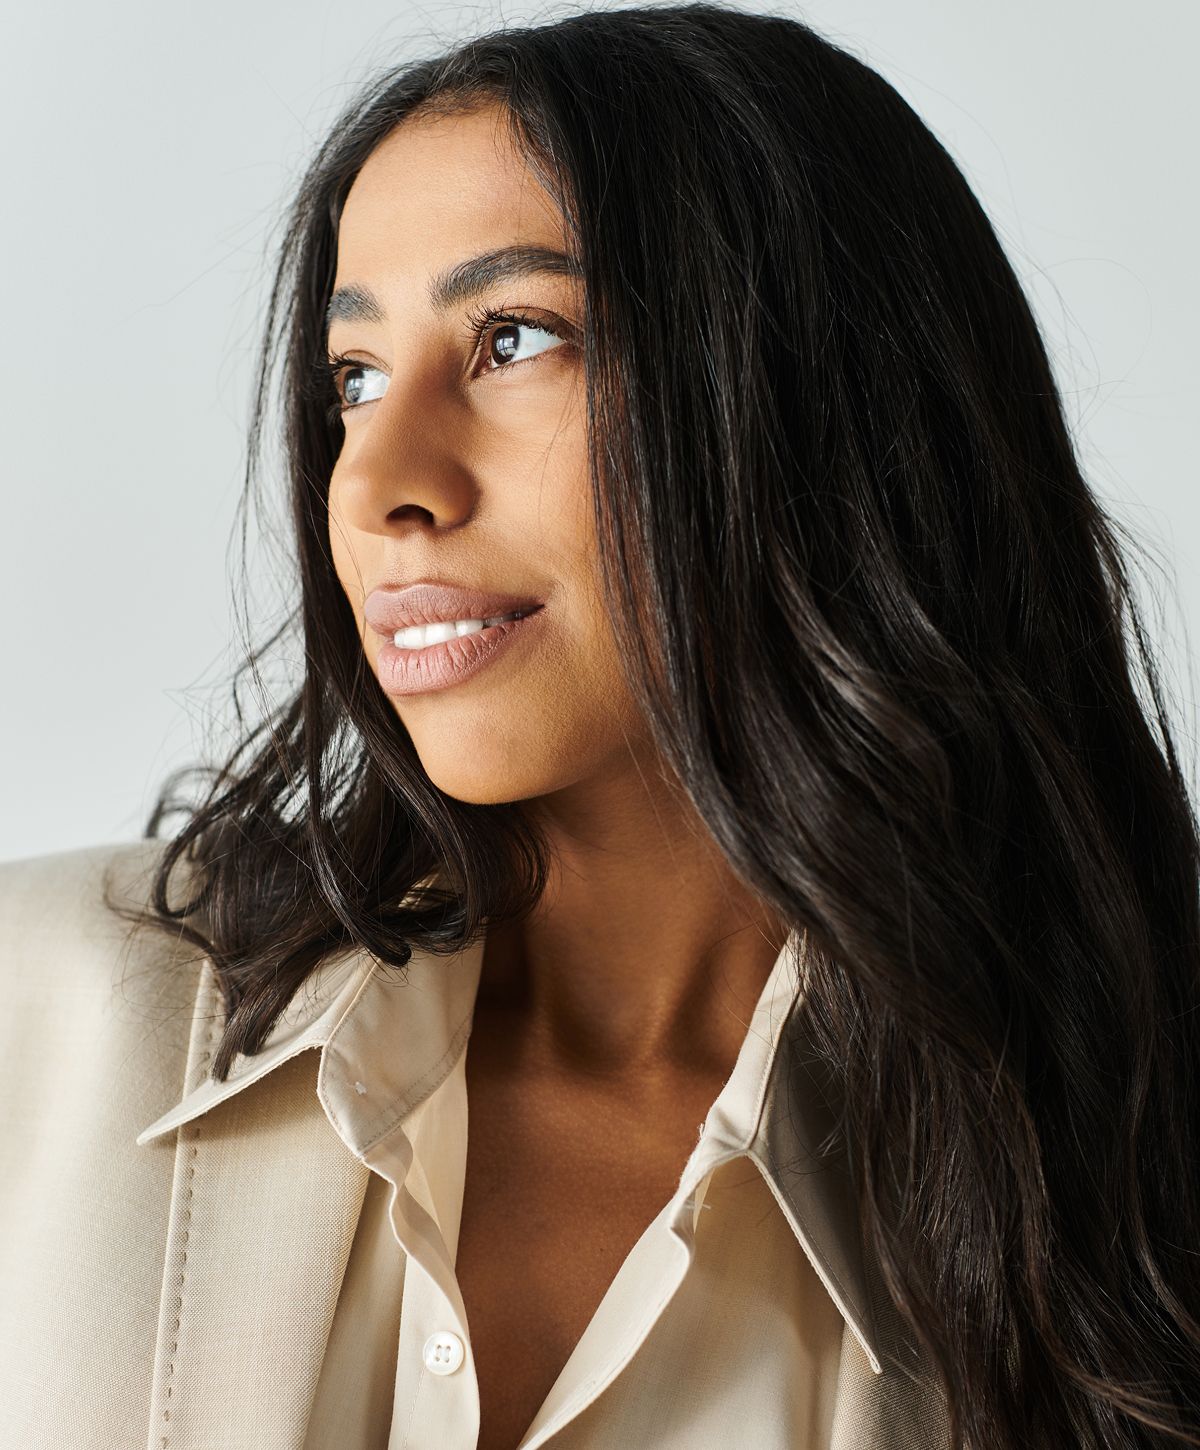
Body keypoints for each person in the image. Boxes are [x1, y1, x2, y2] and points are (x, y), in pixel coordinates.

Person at [2, 4, 1198, 1447]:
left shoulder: (1117, 1216)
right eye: (354, 377)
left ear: (812, 408)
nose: (379, 477)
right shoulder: (42, 1011)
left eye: (513, 339)